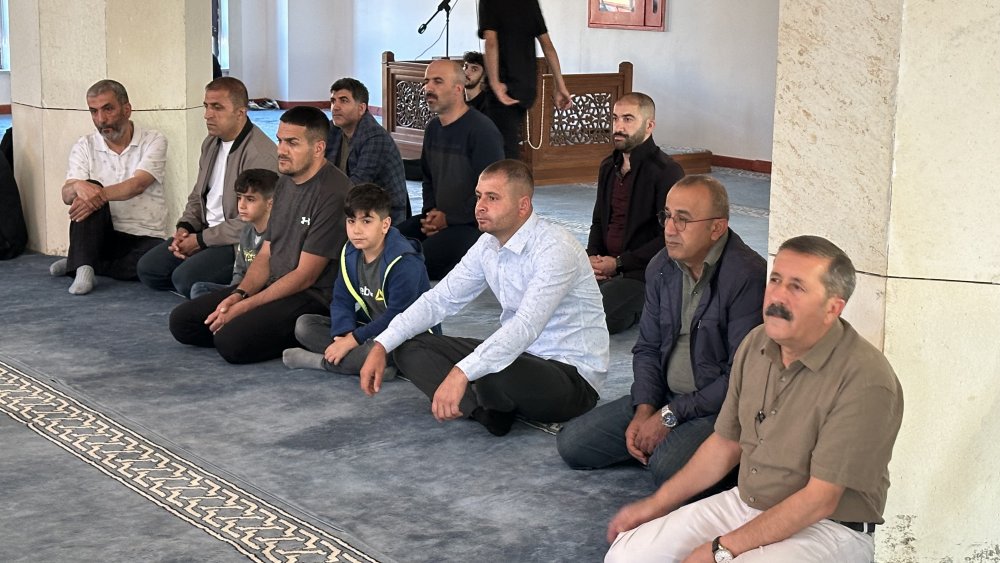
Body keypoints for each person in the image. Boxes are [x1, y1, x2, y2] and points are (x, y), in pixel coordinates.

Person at [604, 235, 904, 563]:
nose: (777, 296)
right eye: (775, 280)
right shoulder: (756, 343)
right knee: (628, 555)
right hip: (748, 502)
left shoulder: (865, 380)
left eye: (797, 287)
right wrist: (655, 505)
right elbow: (725, 444)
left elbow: (820, 499)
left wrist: (720, 550)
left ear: (833, 308)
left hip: (829, 527)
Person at [360, 160, 609, 437]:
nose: (480, 206)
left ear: (523, 206)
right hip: (517, 356)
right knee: (408, 347)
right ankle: (483, 411)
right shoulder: (487, 245)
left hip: (570, 376)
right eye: (479, 196)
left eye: (492, 198)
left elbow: (526, 326)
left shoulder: (555, 248)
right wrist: (382, 344)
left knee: (491, 370)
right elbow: (439, 299)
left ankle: (485, 396)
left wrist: (461, 372)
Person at [558, 175, 766, 488]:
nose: (669, 229)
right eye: (667, 216)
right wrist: (645, 408)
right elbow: (647, 347)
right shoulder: (661, 267)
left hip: (719, 408)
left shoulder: (747, 277)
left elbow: (740, 378)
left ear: (717, 228)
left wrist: (671, 415)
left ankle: (713, 455)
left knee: (665, 469)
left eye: (683, 219)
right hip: (665, 396)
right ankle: (673, 446)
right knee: (573, 444)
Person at [168, 106, 351, 364]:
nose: (281, 150)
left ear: (318, 148)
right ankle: (251, 325)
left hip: (312, 296)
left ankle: (308, 337)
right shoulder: (285, 181)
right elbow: (266, 253)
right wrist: (239, 294)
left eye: (292, 143)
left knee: (231, 343)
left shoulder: (333, 193)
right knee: (182, 322)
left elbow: (305, 275)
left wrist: (245, 307)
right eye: (280, 140)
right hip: (274, 283)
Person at [137, 77, 278, 298]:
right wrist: (185, 228)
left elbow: (253, 220)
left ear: (240, 113)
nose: (207, 114)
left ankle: (228, 285)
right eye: (206, 106)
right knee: (148, 269)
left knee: (184, 279)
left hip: (236, 243)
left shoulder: (260, 154)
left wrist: (201, 241)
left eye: (217, 107)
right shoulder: (211, 143)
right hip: (205, 231)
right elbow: (198, 194)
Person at [283, 184, 432, 376]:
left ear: (385, 224)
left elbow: (398, 317)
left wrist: (353, 340)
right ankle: (374, 366)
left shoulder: (404, 261)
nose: (356, 230)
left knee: (374, 351)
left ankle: (319, 362)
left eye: (366, 221)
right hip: (369, 329)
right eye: (351, 221)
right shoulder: (350, 252)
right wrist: (343, 334)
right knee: (304, 325)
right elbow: (341, 299)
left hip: (406, 337)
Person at [49, 79, 167, 295]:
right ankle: (84, 265)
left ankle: (82, 261)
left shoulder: (154, 140)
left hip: (144, 237)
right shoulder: (84, 145)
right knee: (86, 188)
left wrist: (96, 194)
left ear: (127, 109)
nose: (101, 119)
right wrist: (78, 187)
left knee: (158, 263)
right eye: (93, 111)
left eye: (108, 109)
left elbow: (138, 185)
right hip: (100, 235)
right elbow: (66, 195)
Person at [395, 60, 504, 280]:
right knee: (384, 243)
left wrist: (449, 219)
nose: (428, 88)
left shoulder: (481, 131)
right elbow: (428, 179)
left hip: (474, 226)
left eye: (437, 81)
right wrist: (430, 214)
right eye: (426, 81)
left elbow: (493, 193)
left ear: (458, 89)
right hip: (439, 219)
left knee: (414, 263)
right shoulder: (433, 129)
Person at [586, 93, 685, 333]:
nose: (618, 127)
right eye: (615, 118)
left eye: (628, 119)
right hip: (608, 265)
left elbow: (670, 237)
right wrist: (592, 260)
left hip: (643, 271)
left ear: (649, 126)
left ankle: (650, 304)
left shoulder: (666, 172)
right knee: (554, 295)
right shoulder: (608, 166)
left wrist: (619, 263)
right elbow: (599, 221)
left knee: (597, 315)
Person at [478, 0, 573, 159]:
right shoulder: (530, 2)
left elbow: (491, 41)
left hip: (504, 86)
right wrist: (560, 86)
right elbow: (547, 45)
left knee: (501, 152)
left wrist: (495, 82)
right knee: (507, 145)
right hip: (526, 87)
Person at [325, 77, 409, 224]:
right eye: (333, 101)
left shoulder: (375, 137)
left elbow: (356, 186)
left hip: (381, 216)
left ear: (361, 108)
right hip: (350, 206)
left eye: (343, 101)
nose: (335, 107)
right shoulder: (333, 129)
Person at [189, 168, 278, 299]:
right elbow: (239, 272)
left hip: (264, 294)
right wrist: (233, 295)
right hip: (242, 291)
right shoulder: (246, 231)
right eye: (239, 198)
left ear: (270, 204)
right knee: (199, 288)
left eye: (250, 199)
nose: (242, 205)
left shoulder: (278, 233)